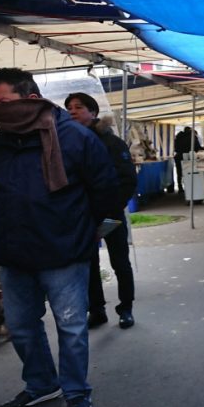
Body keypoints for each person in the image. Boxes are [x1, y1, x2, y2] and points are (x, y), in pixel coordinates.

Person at [0, 68, 117, 407]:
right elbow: (6, 195)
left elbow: (108, 195)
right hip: (14, 253)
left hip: (64, 252)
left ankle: (76, 392)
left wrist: (95, 238)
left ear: (31, 99)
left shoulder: (76, 138)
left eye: (4, 102)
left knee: (71, 327)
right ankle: (42, 384)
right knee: (22, 326)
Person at [65, 93, 138, 330]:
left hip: (110, 215)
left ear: (93, 112)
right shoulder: (67, 142)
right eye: (69, 108)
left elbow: (127, 181)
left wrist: (109, 213)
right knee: (88, 265)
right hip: (83, 217)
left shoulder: (112, 143)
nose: (72, 111)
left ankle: (125, 308)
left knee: (120, 263)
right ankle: (96, 310)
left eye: (79, 107)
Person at [173, 126, 202, 193]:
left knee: (179, 172)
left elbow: (175, 148)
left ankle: (180, 187)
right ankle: (189, 187)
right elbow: (197, 147)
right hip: (189, 157)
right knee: (189, 172)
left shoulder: (178, 137)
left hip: (178, 156)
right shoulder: (192, 137)